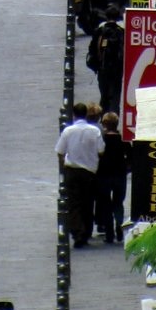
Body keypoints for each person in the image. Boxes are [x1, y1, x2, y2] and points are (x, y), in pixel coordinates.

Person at [55, 103, 102, 247]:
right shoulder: (95, 131)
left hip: (72, 170)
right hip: (89, 172)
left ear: (73, 115)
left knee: (74, 203)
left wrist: (64, 164)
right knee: (88, 203)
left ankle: (77, 231)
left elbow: (60, 151)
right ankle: (86, 232)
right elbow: (101, 150)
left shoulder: (68, 131)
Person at [94, 112, 129, 244]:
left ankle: (109, 233)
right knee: (118, 203)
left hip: (103, 174)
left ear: (104, 124)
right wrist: (126, 168)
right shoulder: (123, 139)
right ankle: (119, 227)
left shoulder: (101, 139)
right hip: (120, 175)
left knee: (106, 204)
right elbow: (131, 157)